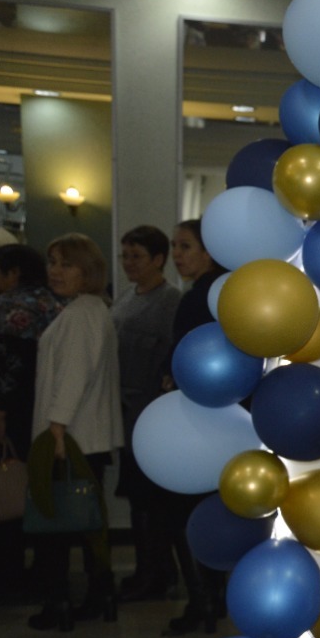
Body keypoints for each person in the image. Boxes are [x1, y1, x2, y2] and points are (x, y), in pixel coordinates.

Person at [27, 233, 122, 630]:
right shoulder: (90, 309)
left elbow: (72, 378)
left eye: (66, 264)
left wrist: (56, 431)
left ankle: (60, 602)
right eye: (53, 262)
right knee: (85, 524)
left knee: (57, 525)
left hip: (71, 437)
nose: (56, 271)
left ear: (88, 270)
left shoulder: (81, 314)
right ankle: (100, 594)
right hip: (83, 436)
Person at [160, 218, 230, 635]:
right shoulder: (228, 293)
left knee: (184, 514)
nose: (177, 254)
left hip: (196, 423)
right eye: (174, 246)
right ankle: (214, 599)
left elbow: (181, 363)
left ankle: (201, 602)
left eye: (185, 246)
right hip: (225, 423)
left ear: (209, 252)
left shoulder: (197, 298)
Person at [110, 225, 181, 602]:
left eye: (136, 256)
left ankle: (155, 571)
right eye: (125, 256)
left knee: (150, 498)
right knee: (138, 496)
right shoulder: (125, 297)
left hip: (149, 412)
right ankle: (150, 568)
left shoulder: (170, 301)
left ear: (158, 260)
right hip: (124, 410)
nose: (129, 263)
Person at [0, 243, 61, 599]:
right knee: (40, 486)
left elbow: (7, 367)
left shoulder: (7, 308)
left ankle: (7, 573)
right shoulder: (54, 302)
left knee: (7, 484)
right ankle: (43, 570)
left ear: (14, 273)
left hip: (13, 411)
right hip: (47, 407)